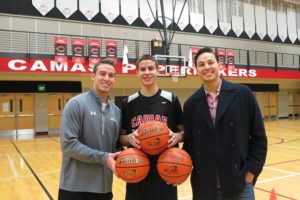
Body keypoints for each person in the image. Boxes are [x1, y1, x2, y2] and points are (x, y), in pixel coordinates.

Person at [183, 47, 267, 200]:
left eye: (210, 62)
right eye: (201, 64)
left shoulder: (243, 94)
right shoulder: (190, 104)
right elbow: (190, 145)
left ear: (219, 65)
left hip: (239, 183)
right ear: (196, 69)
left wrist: (251, 173)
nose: (207, 67)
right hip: (205, 187)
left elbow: (259, 137)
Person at [119, 54, 184, 200]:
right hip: (136, 166)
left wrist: (178, 136)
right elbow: (121, 138)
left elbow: (184, 131)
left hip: (166, 166)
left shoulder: (171, 100)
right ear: (137, 73)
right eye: (142, 69)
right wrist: (128, 138)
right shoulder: (128, 102)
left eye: (150, 68)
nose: (147, 72)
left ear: (158, 70)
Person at [58, 59, 122, 200]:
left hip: (104, 189)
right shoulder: (76, 104)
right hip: (75, 188)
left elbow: (114, 146)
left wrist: (128, 155)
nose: (106, 78)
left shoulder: (116, 112)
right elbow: (68, 145)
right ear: (93, 76)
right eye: (102, 74)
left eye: (111, 75)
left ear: (115, 79)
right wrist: (104, 157)